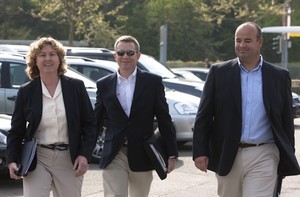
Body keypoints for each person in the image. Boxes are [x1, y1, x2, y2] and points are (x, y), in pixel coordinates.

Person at [193, 22, 300, 197]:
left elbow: (285, 120)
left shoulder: (279, 77)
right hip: (227, 152)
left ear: (260, 42)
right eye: (238, 40)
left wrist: (287, 156)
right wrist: (200, 151)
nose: (242, 45)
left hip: (264, 153)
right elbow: (204, 115)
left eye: (247, 40)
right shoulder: (218, 73)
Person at [6, 37, 97, 197]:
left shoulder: (76, 87)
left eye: (52, 54)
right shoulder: (26, 91)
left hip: (70, 158)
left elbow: (89, 124)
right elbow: (16, 130)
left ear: (60, 59)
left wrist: (84, 155)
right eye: (42, 55)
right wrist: (12, 160)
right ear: (35, 60)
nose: (48, 59)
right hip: (38, 158)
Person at [94, 35, 178, 197]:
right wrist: (83, 152)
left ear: (138, 55)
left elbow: (164, 119)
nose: (125, 57)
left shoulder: (152, 82)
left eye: (130, 53)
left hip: (143, 152)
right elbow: (96, 120)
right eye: (121, 53)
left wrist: (172, 153)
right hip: (114, 153)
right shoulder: (104, 84)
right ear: (115, 56)